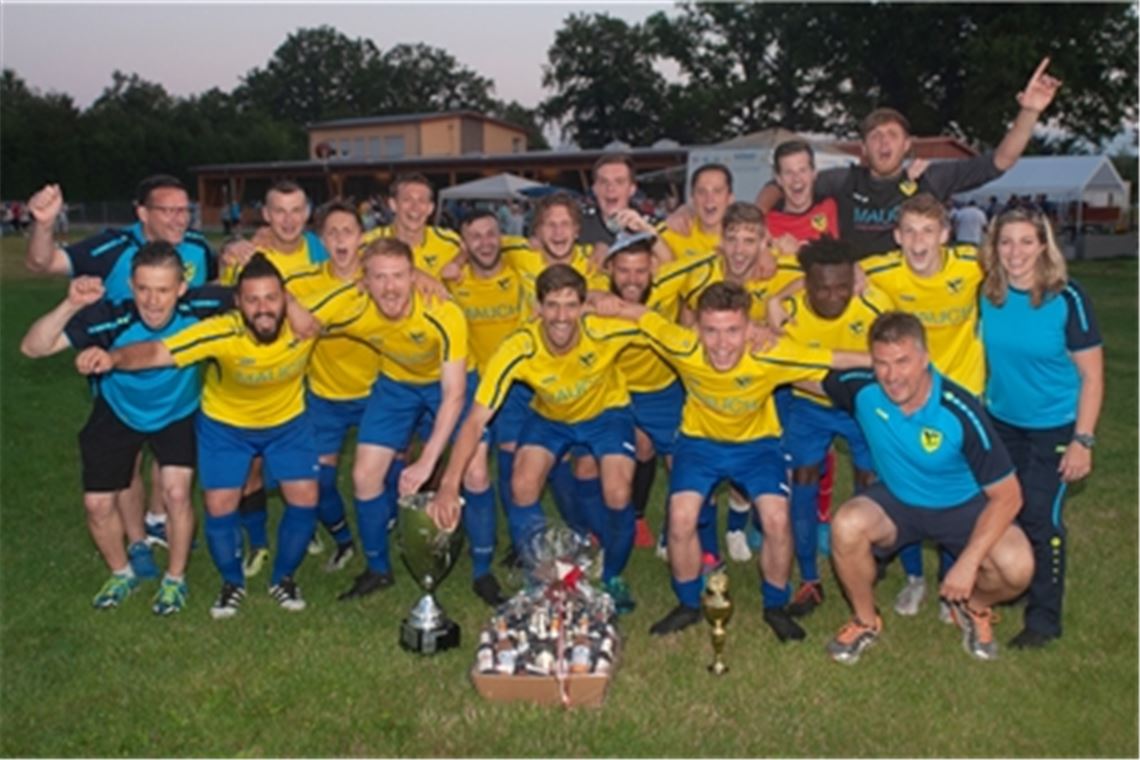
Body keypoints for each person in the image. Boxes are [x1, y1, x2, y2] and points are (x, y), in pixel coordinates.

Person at [593, 281, 869, 640]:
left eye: (733, 331)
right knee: (680, 517)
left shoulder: (770, 351)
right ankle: (689, 603)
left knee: (775, 518)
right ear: (698, 328)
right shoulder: (682, 344)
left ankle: (775, 605)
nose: (722, 344)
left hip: (758, 447)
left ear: (749, 328)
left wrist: (897, 360)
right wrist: (590, 302)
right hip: (699, 445)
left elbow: (836, 358)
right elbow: (640, 314)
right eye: (712, 331)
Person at [76, 253, 324, 618]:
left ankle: (283, 578)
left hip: (288, 425)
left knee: (305, 499)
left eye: (272, 298)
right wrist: (114, 359)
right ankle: (231, 584)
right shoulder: (221, 331)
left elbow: (359, 292)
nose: (263, 308)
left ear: (286, 299)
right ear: (237, 303)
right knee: (219, 505)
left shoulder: (305, 326)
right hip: (227, 428)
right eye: (252, 300)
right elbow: (157, 351)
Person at [20, 243, 229, 614]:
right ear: (131, 285)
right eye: (143, 288)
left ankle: (174, 580)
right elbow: (33, 347)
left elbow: (265, 297)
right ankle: (121, 573)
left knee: (177, 493)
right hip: (117, 411)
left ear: (181, 288)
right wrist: (70, 304)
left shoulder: (204, 306)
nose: (152, 300)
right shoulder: (110, 316)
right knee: (97, 504)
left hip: (178, 412)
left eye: (163, 290)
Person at [818, 312, 1033, 663]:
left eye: (903, 361)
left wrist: (967, 563)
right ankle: (865, 620)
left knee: (1017, 567)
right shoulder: (864, 388)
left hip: (962, 507)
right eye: (882, 363)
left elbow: (1009, 496)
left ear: (925, 358)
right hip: (899, 501)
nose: (891, 376)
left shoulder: (960, 411)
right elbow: (802, 375)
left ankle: (974, 608)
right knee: (846, 525)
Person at [427, 265, 643, 613]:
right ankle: (540, 575)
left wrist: (619, 305)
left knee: (618, 491)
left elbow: (658, 325)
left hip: (607, 413)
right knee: (523, 484)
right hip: (550, 417)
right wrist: (450, 484)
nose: (561, 316)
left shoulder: (603, 329)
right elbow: (475, 421)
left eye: (571, 305)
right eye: (552, 305)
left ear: (582, 306)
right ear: (538, 308)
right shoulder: (519, 346)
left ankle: (611, 576)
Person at [25, 175, 217, 554]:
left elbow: (210, 301)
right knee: (126, 464)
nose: (180, 220)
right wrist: (44, 224)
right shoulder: (113, 247)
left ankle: (159, 519)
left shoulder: (196, 247)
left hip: (175, 380)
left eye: (185, 211)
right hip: (115, 372)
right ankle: (137, 541)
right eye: (168, 211)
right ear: (142, 213)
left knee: (171, 459)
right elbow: (41, 262)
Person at [755, 58, 1061, 257]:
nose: (883, 142)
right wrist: (758, 218)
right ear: (863, 149)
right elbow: (781, 185)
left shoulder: (931, 179)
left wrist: (1030, 111)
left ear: (907, 145)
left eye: (892, 135)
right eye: (874, 136)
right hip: (858, 298)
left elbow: (1000, 162)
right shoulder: (844, 180)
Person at [306, 239, 470, 602]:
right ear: (365, 280)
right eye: (379, 277)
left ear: (414, 276)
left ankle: (483, 570)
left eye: (398, 276)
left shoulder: (442, 311)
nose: (390, 287)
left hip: (446, 382)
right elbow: (302, 319)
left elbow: (454, 394)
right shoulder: (353, 303)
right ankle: (377, 569)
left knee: (473, 473)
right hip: (395, 385)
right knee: (364, 475)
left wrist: (427, 461)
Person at [978, 207, 1103, 648]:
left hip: (1055, 427)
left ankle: (1044, 620)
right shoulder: (986, 293)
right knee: (999, 509)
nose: (1015, 252)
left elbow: (1092, 377)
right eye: (1006, 241)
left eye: (1026, 241)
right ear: (994, 247)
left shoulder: (1067, 299)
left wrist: (1081, 441)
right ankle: (1014, 582)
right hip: (1001, 423)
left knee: (1040, 516)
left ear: (1044, 245)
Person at [219, 179, 330, 576]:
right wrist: (230, 250)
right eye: (279, 211)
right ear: (265, 215)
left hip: (307, 375)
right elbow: (222, 309)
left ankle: (304, 525)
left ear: (307, 213)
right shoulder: (247, 255)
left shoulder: (320, 248)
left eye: (296, 210)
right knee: (251, 465)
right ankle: (258, 542)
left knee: (298, 462)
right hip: (254, 379)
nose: (288, 219)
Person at [777, 238, 888, 617]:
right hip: (808, 407)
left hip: (860, 406)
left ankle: (867, 558)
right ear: (806, 284)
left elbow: (890, 359)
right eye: (822, 288)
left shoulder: (874, 305)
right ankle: (809, 578)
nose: (833, 296)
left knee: (870, 480)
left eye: (842, 286)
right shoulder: (786, 312)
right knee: (803, 480)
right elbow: (784, 367)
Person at [280, 200, 377, 573]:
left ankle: (383, 541)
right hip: (323, 397)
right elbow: (267, 289)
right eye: (332, 232)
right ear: (321, 239)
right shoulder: (303, 284)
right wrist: (289, 302)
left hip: (376, 395)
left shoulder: (377, 280)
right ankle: (343, 541)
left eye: (348, 231)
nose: (340, 239)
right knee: (318, 482)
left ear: (361, 238)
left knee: (383, 477)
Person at [361, 173, 463, 279]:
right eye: (407, 200)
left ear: (430, 208)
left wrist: (459, 261)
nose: (415, 207)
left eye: (421, 201)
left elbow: (472, 251)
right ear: (393, 205)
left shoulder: (450, 242)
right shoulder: (368, 243)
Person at [660, 164, 735, 261]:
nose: (709, 199)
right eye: (701, 192)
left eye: (717, 191)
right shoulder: (673, 232)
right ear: (692, 198)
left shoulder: (745, 241)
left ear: (730, 198)